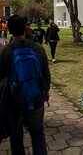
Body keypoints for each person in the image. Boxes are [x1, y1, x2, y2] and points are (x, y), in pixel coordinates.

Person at [0, 15, 51, 155]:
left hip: (14, 100)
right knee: (38, 135)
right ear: (25, 28)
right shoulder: (38, 48)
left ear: (9, 30)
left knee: (16, 138)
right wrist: (45, 92)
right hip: (36, 98)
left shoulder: (6, 51)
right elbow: (46, 75)